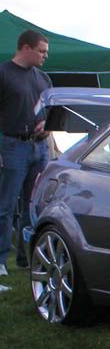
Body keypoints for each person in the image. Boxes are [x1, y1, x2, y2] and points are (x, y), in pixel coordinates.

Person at [0, 29, 52, 276]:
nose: (45, 56)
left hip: (39, 147)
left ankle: (27, 258)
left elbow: (51, 111)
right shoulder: (3, 74)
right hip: (11, 146)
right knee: (6, 207)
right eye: (41, 51)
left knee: (34, 207)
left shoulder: (43, 78)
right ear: (26, 48)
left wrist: (47, 126)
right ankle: (0, 262)